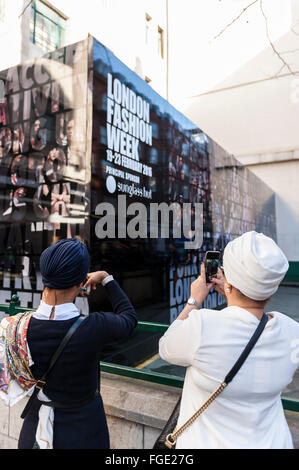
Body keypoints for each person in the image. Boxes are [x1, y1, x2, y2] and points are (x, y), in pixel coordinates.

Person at [159, 231, 299, 449]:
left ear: (229, 280)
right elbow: (249, 318)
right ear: (271, 290)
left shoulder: (203, 326)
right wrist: (234, 292)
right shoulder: (292, 331)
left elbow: (166, 347)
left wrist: (194, 299)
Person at [0, 238, 137, 449]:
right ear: (82, 282)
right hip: (84, 433)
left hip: (33, 434)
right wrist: (106, 278)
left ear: (44, 276)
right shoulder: (94, 327)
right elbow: (129, 319)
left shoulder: (14, 326)